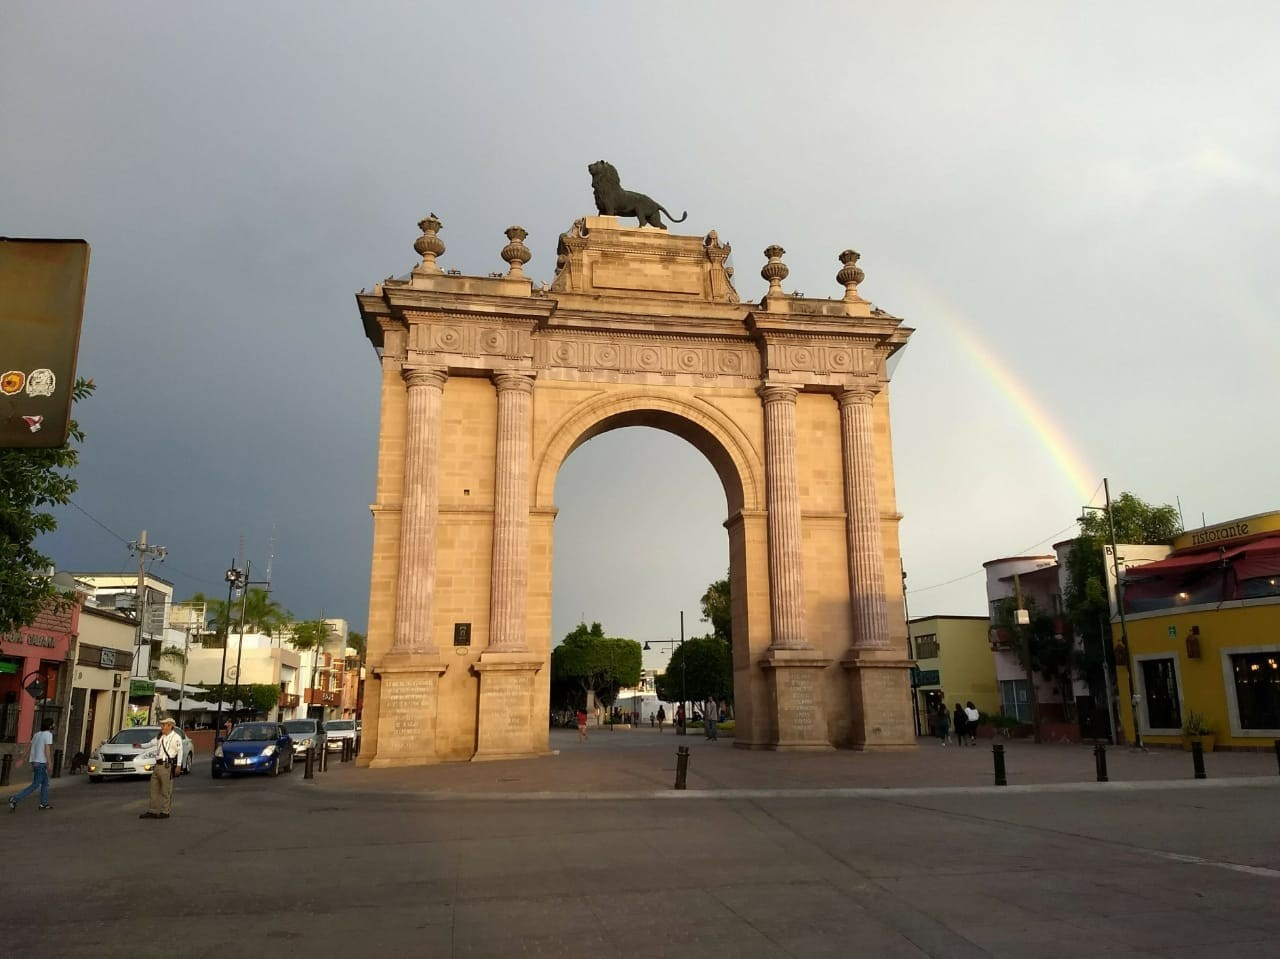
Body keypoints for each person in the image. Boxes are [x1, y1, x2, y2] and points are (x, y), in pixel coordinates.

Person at [139, 716, 184, 820]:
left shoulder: (176, 737)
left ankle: (165, 811)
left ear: (170, 726)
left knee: (166, 790)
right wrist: (139, 746)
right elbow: (150, 744)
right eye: (162, 725)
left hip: (167, 766)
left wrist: (178, 765)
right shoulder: (160, 736)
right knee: (154, 789)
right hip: (158, 765)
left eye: (164, 725)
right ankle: (153, 810)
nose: (162, 727)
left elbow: (180, 751)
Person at [8, 718, 55, 812]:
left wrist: (23, 758)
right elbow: (47, 750)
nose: (54, 726)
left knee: (45, 783)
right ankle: (15, 799)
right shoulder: (48, 734)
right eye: (53, 724)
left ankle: (44, 804)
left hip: (35, 762)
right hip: (41, 763)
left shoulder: (36, 734)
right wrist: (49, 763)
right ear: (50, 726)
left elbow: (28, 746)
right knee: (35, 784)